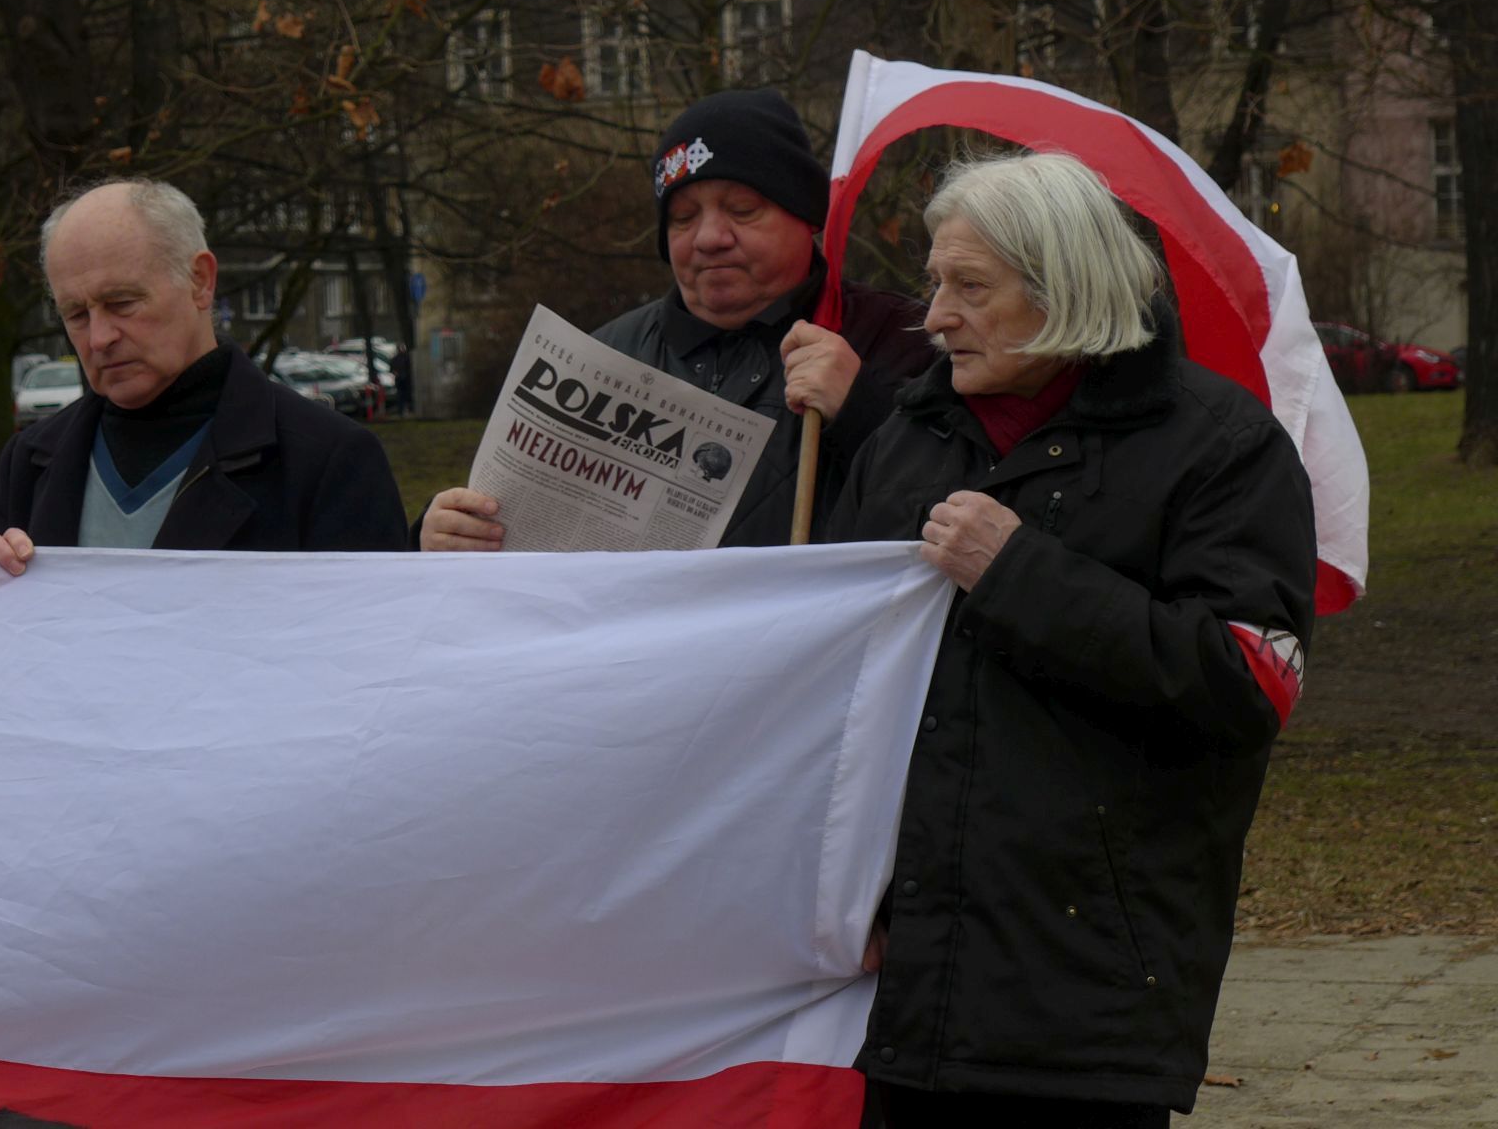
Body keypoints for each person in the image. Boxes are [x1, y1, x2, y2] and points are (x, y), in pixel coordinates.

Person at [824, 152, 1316, 1127]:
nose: (934, 317)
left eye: (971, 287)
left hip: (1090, 995)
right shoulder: (907, 441)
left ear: (1067, 287)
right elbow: (832, 683)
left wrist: (1020, 574)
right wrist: (846, 896)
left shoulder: (1220, 446)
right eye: (934, 283)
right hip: (899, 987)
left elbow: (1246, 684)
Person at [420, 88, 933, 550]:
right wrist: (441, 533)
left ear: (806, 217)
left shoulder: (908, 337)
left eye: (743, 209)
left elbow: (948, 515)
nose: (709, 238)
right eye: (683, 218)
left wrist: (863, 410)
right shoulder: (603, 356)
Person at [0, 179, 407, 572]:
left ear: (200, 280)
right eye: (76, 314)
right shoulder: (28, 464)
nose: (99, 337)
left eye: (122, 303)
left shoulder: (330, 461)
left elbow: (368, 626)